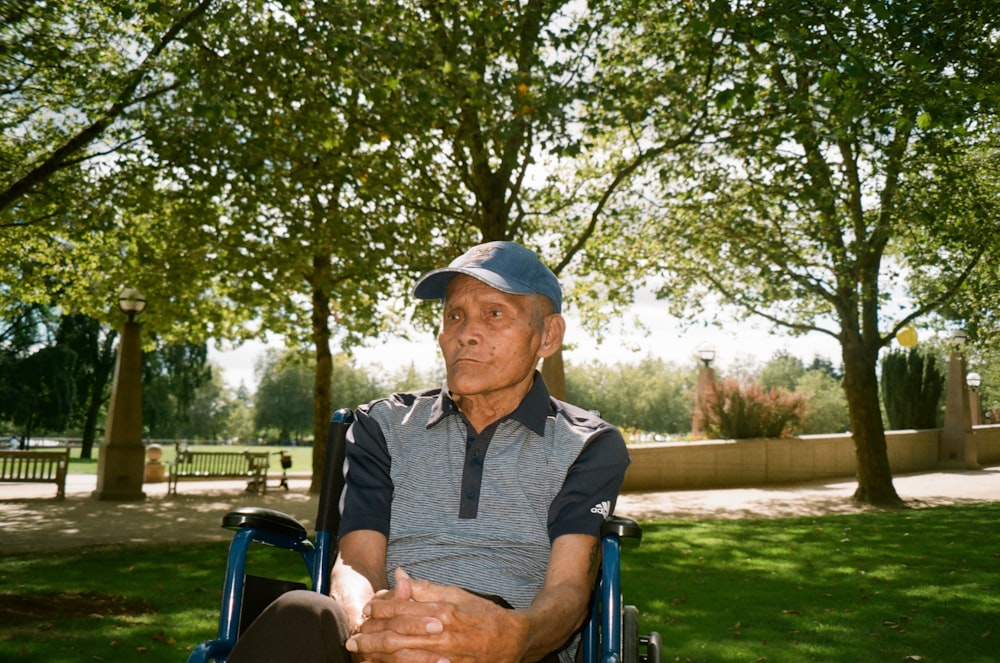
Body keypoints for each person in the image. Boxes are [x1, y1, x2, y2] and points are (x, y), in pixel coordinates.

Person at [228, 241, 630, 663]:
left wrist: (512, 636)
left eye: (495, 314)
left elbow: (568, 590)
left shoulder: (587, 443)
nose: (465, 333)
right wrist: (373, 635)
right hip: (382, 623)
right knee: (301, 610)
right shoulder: (380, 426)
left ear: (547, 335)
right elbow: (358, 563)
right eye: (454, 315)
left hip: (509, 636)